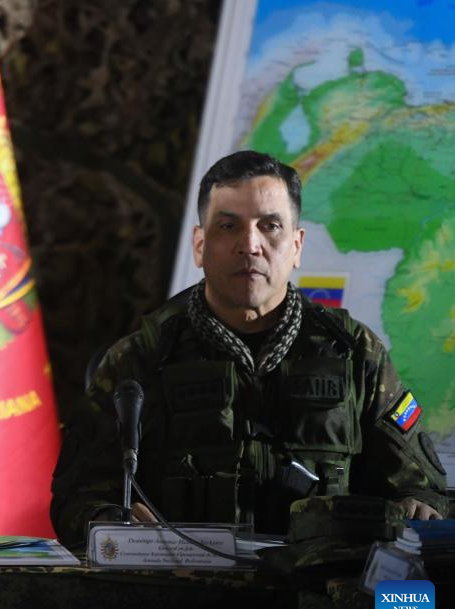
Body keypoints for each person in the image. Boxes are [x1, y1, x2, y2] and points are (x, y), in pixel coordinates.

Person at [51, 150, 448, 547]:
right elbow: (75, 499)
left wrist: (416, 509)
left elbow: (423, 490)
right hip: (185, 594)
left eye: (270, 226)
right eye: (228, 226)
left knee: (415, 606)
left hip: (317, 594)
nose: (250, 244)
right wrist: (109, 521)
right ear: (200, 245)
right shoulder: (141, 358)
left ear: (296, 246)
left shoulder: (355, 354)